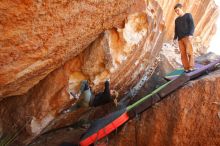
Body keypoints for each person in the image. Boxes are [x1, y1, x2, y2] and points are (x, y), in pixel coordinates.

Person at [173, 3, 195, 73]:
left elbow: (192, 25)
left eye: (178, 10)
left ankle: (191, 67)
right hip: (180, 39)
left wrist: (191, 34)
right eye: (175, 11)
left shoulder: (188, 15)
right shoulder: (176, 20)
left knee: (189, 52)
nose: (177, 12)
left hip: (187, 37)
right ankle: (186, 68)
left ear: (181, 8)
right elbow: (176, 30)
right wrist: (174, 38)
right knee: (183, 54)